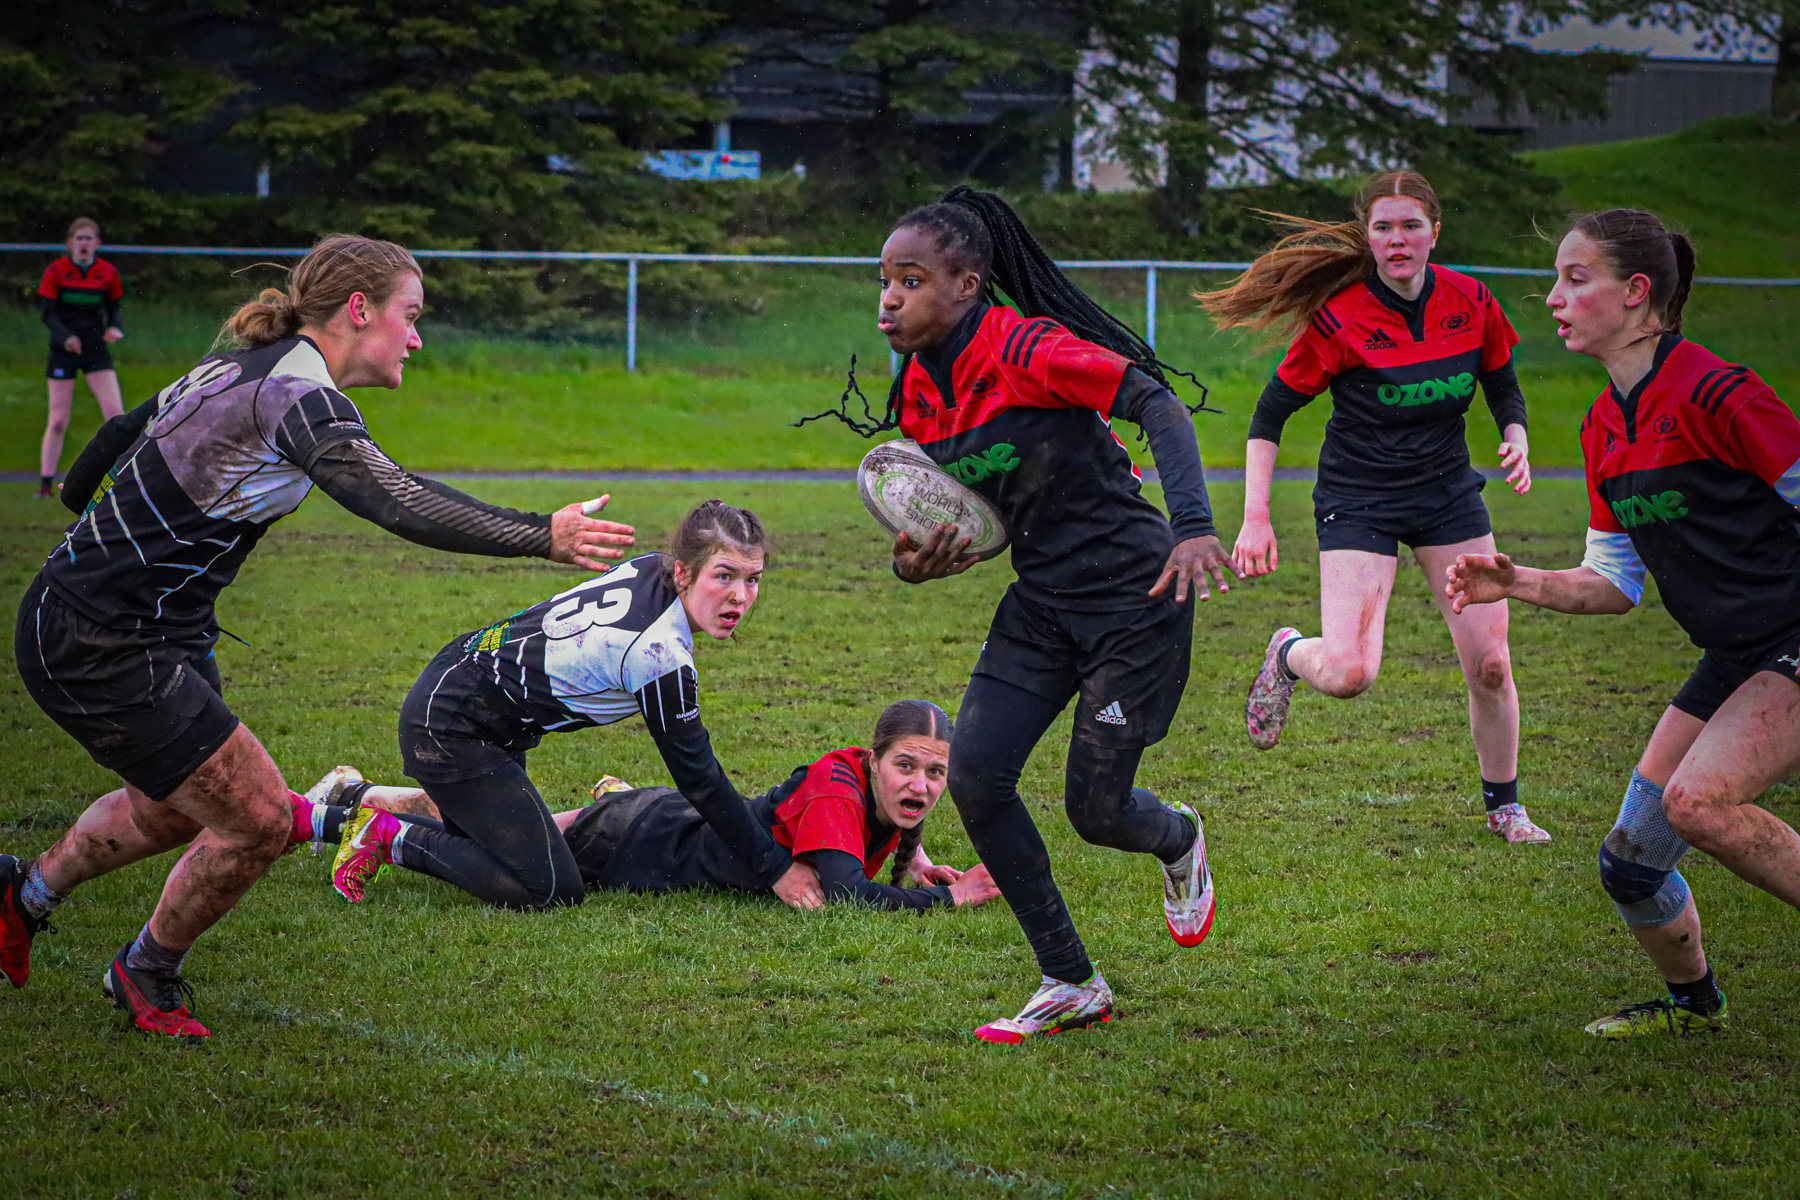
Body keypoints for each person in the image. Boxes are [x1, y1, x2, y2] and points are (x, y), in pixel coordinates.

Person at [0, 234, 636, 1038]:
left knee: (171, 812)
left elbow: (110, 440)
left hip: (140, 630)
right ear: (358, 309)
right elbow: (395, 500)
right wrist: (540, 533)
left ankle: (23, 896)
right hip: (104, 641)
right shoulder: (299, 396)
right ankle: (145, 972)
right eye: (410, 315)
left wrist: (91, 519)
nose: (415, 336)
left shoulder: (236, 370)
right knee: (259, 820)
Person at [803, 186, 1234, 1043]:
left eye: (911, 279)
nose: (889, 298)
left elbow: (1157, 403)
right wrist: (912, 561)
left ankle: (1178, 836)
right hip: (1040, 603)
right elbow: (962, 520)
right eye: (884, 280)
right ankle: (1070, 979)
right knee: (975, 776)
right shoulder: (921, 394)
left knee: (1097, 812)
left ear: (966, 285)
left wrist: (1193, 529)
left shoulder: (1030, 348)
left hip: (1134, 599)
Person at [1447, 209, 1800, 1038]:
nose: (1553, 298)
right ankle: (1694, 1005)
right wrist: (1516, 580)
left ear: (1636, 293)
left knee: (1700, 804)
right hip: (1736, 655)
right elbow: (1613, 583)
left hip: (1792, 639)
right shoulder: (1606, 424)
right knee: (1632, 862)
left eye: (1576, 279)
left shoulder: (1722, 393)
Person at [1201, 170, 1550, 845]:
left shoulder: (1472, 300)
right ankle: (1290, 651)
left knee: (1492, 664)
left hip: (1449, 497)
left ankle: (1505, 806)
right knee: (1351, 674)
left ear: (1434, 233)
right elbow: (1269, 416)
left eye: (1411, 225)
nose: (1397, 239)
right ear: (1369, 236)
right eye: (1384, 227)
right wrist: (1255, 516)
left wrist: (1517, 434)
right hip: (1359, 501)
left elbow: (1501, 379)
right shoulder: (1340, 317)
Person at [322, 500, 825, 919]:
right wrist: (775, 868)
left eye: (753, 579)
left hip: (467, 688)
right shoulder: (659, 655)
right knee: (550, 888)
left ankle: (344, 810)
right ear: (683, 572)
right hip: (453, 725)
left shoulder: (650, 567)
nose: (739, 596)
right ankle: (384, 834)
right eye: (725, 576)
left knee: (495, 846)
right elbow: (701, 782)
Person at [306, 700, 1003, 911]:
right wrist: (953, 898)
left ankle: (354, 794)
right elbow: (845, 892)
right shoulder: (835, 784)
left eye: (935, 774)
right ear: (872, 758)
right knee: (506, 861)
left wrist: (920, 863)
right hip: (644, 840)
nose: (919, 785)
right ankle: (361, 825)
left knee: (509, 826)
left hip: (662, 820)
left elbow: (865, 839)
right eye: (906, 766)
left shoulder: (866, 787)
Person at [37, 218, 126, 498]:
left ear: (97, 243)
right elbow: (48, 314)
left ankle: (120, 478)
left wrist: (115, 328)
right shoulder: (56, 271)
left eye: (89, 239)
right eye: (79, 239)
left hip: (95, 349)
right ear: (70, 243)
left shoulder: (108, 272)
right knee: (58, 420)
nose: (84, 244)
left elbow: (114, 309)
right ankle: (45, 483)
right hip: (63, 352)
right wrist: (66, 338)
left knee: (116, 416)